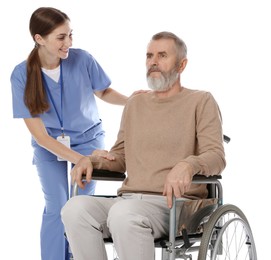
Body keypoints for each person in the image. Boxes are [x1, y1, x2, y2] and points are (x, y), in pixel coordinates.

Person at [61, 31, 226, 260]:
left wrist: (189, 165)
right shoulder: (135, 103)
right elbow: (119, 157)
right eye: (149, 56)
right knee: (74, 209)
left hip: (175, 205)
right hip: (128, 201)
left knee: (123, 215)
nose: (153, 62)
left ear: (182, 64)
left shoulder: (201, 101)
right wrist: (90, 160)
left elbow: (216, 156)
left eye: (162, 55)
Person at [10, 7, 143, 260]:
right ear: (39, 39)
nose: (68, 43)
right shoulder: (21, 75)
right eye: (61, 37)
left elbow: (103, 92)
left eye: (71, 35)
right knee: (56, 206)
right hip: (49, 146)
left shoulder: (82, 59)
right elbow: (41, 137)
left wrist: (131, 101)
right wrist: (78, 159)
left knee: (81, 208)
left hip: (89, 141)